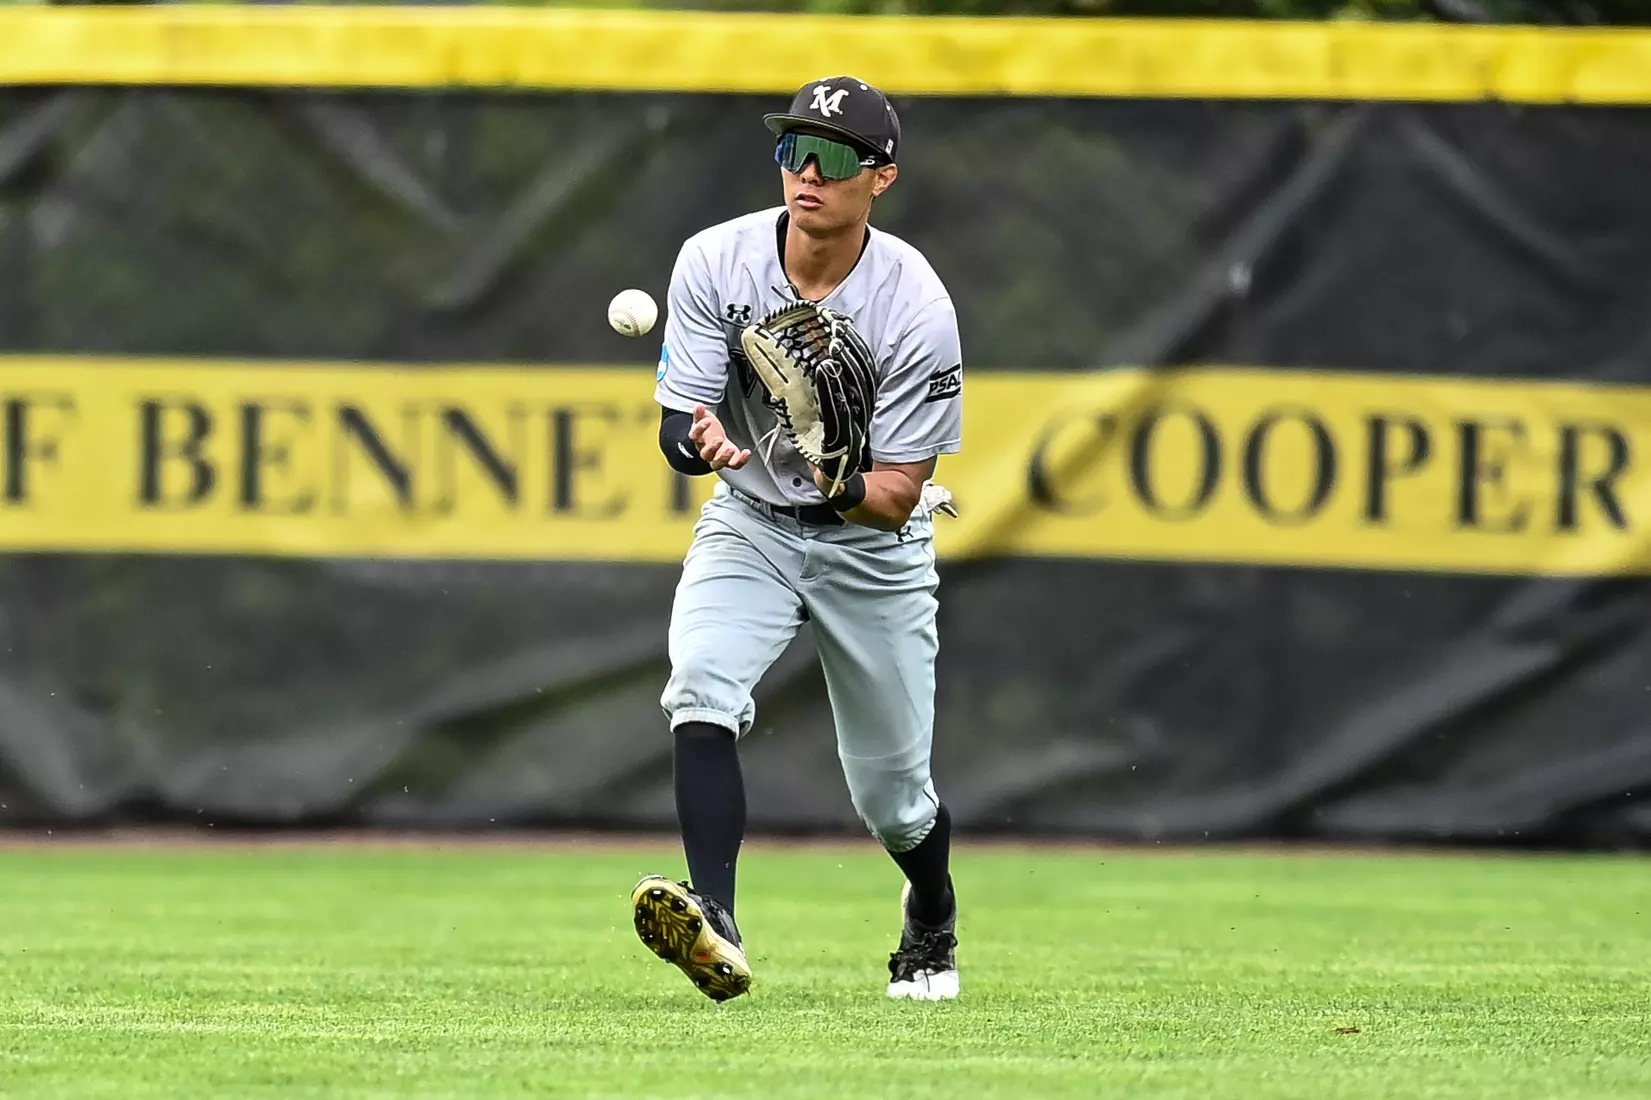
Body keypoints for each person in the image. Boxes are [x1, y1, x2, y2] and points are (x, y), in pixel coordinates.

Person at [629, 75, 964, 1003]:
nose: (805, 174)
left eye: (832, 157)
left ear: (881, 177)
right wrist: (697, 442)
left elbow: (897, 498)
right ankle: (717, 920)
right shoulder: (715, 260)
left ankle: (929, 912)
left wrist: (835, 472)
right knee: (699, 681)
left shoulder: (915, 306)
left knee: (892, 798)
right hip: (752, 522)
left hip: (872, 552)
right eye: (791, 151)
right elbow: (675, 426)